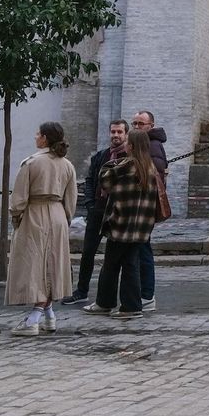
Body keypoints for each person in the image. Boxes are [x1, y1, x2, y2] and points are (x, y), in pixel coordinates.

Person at [6, 122, 77, 336]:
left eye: (38, 133)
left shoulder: (31, 163)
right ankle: (49, 314)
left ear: (45, 138)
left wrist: (16, 216)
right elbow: (71, 198)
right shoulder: (67, 165)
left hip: (35, 213)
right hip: (57, 214)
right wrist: (65, 218)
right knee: (52, 264)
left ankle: (34, 317)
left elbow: (19, 197)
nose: (35, 136)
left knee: (35, 264)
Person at [83, 127, 160, 320]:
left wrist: (117, 158)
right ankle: (131, 305)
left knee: (110, 265)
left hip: (120, 224)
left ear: (131, 145)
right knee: (131, 264)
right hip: (140, 226)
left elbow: (105, 179)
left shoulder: (126, 166)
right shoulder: (149, 167)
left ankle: (105, 302)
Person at [61, 118, 128, 305]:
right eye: (113, 132)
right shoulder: (101, 156)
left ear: (125, 134)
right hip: (98, 210)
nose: (116, 135)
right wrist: (90, 204)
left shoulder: (129, 157)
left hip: (118, 212)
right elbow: (91, 180)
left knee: (118, 255)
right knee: (88, 252)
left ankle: (113, 296)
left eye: (119, 132)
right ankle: (81, 290)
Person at [129, 109, 167, 312]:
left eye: (140, 124)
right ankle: (142, 293)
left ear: (150, 126)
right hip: (140, 207)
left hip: (145, 208)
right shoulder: (144, 144)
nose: (136, 127)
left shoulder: (152, 146)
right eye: (134, 123)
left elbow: (154, 174)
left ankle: (147, 294)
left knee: (143, 250)